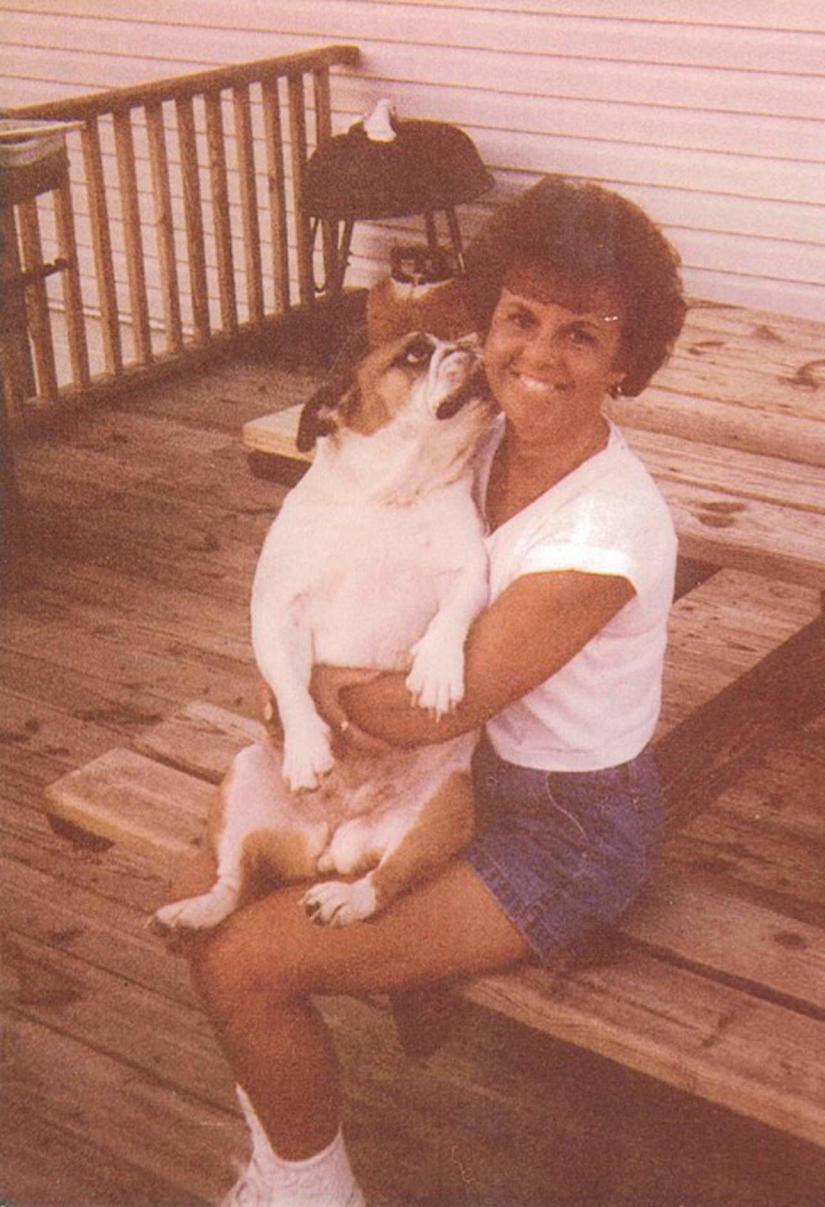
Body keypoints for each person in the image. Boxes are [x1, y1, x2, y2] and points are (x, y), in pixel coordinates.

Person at [170, 175, 686, 1207]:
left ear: (625, 361)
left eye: (581, 336)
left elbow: (432, 708)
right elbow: (349, 498)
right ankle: (284, 1165)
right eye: (519, 319)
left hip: (561, 827)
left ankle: (313, 1194)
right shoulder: (481, 435)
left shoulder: (606, 531)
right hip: (451, 775)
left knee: (243, 963)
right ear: (485, 319)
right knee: (209, 876)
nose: (537, 357)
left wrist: (310, 682)